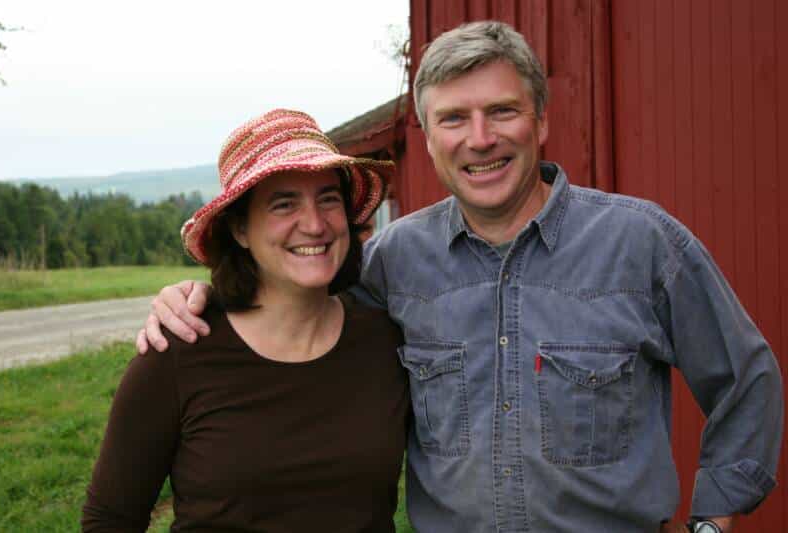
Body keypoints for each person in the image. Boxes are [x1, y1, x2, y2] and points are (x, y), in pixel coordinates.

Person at [137, 22, 783, 533]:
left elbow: (747, 377)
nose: (480, 138)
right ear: (427, 137)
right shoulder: (393, 261)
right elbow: (295, 310)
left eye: (501, 111)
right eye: (453, 118)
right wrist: (203, 297)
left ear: (541, 121)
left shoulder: (641, 244)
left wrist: (710, 521)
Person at [82, 109, 409, 532]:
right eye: (284, 204)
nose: (314, 224)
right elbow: (110, 520)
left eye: (328, 198)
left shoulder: (385, 341)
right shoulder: (180, 352)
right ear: (239, 229)